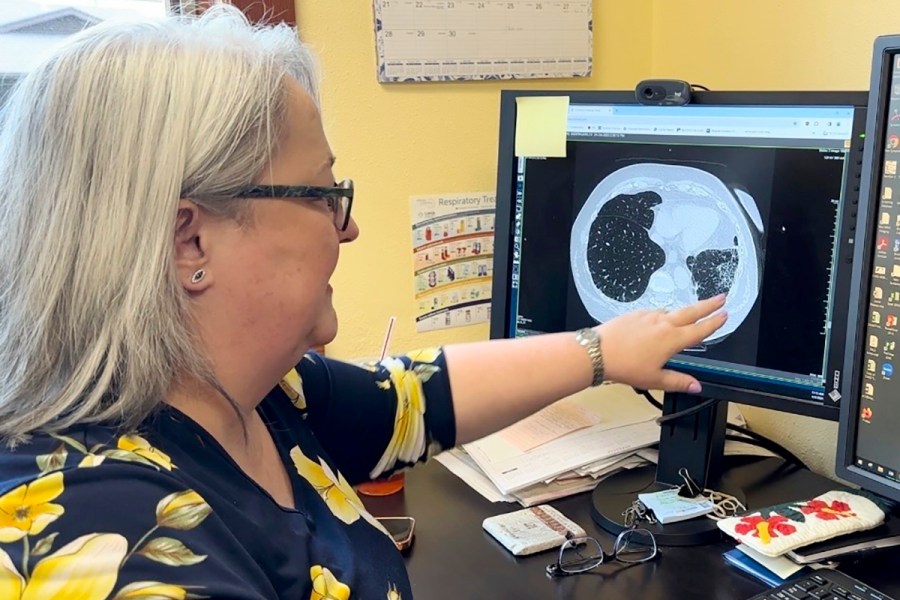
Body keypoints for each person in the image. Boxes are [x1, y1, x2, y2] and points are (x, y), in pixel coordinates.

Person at [0, 7, 726, 599]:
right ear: (190, 242)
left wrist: (605, 351)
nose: (348, 226)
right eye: (321, 194)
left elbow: (410, 398)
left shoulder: (252, 399)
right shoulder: (110, 546)